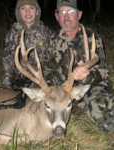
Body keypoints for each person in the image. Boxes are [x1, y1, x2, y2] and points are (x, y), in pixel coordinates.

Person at [46, 0, 114, 132]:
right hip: (65, 90)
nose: (66, 18)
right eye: (62, 13)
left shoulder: (92, 38)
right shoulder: (54, 40)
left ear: (79, 14)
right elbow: (51, 71)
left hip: (92, 85)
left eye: (71, 12)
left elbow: (103, 71)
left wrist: (86, 76)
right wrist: (51, 90)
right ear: (56, 16)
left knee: (98, 107)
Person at [3, 0, 53, 91]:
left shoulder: (47, 32)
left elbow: (54, 59)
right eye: (23, 8)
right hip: (22, 82)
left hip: (44, 82)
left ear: (37, 12)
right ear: (19, 12)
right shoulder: (13, 33)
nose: (27, 12)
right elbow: (8, 60)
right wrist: (7, 85)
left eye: (31, 8)